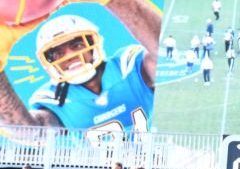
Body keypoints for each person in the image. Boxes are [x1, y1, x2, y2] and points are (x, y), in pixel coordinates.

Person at [22, 15, 155, 133]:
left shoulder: (130, 67)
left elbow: (164, 55)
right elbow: (29, 131)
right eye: (58, 53)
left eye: (78, 46)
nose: (70, 56)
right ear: (50, 62)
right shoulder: (53, 98)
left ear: (94, 45)